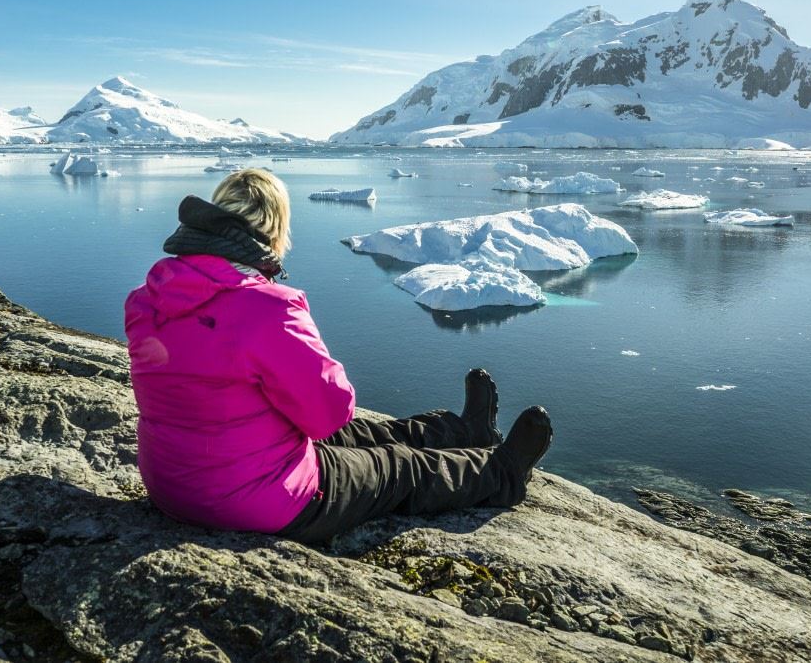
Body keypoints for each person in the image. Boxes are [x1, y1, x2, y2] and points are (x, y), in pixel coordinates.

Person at [124, 168, 553, 543]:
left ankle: (463, 430)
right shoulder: (266, 308)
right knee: (397, 468)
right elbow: (330, 415)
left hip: (172, 485)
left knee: (357, 439)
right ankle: (504, 474)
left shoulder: (146, 300)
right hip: (256, 500)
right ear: (274, 231)